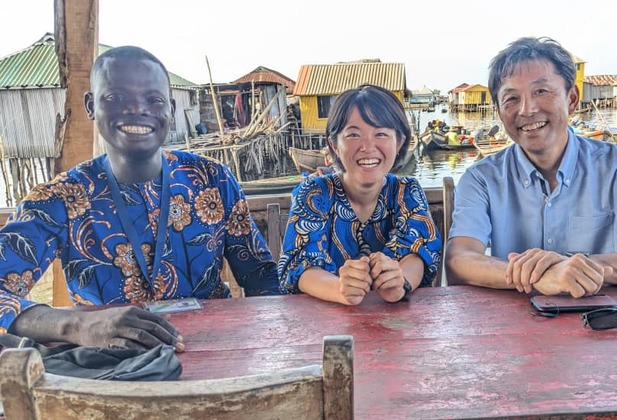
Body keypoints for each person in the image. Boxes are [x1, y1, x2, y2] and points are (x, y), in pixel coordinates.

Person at [0, 46, 278, 350]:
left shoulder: (213, 180)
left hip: (214, 351)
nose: (136, 109)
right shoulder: (59, 199)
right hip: (113, 366)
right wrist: (74, 324)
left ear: (170, 109)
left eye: (153, 100)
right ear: (91, 105)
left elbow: (263, 279)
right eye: (116, 98)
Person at [445, 37, 617, 297]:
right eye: (511, 99)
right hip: (512, 326)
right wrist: (541, 276)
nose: (527, 109)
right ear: (499, 110)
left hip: (603, 321)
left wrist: (580, 268)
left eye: (541, 91)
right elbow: (458, 260)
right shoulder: (481, 178)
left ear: (572, 98)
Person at [277, 84, 442, 305]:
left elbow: (417, 252)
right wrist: (341, 290)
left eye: (381, 133)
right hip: (324, 323)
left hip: (395, 324)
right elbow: (300, 266)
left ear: (400, 141)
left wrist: (400, 282)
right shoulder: (314, 193)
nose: (367, 146)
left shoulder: (407, 191)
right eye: (353, 134)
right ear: (334, 144)